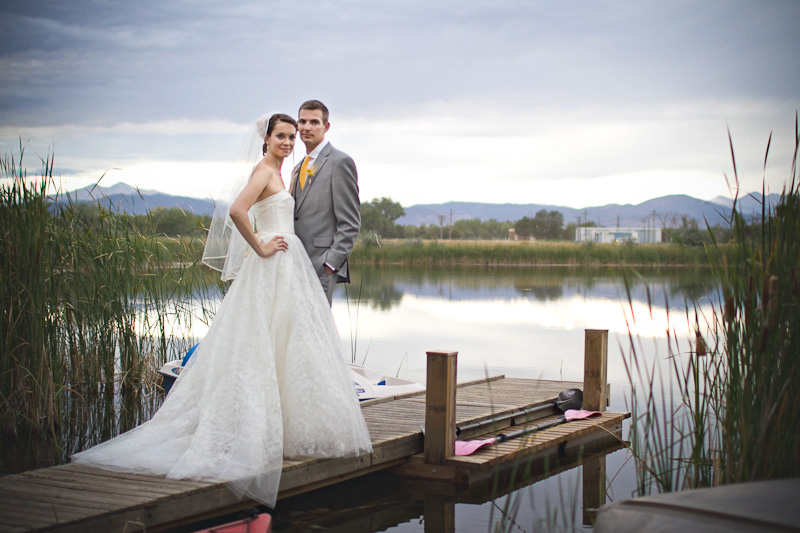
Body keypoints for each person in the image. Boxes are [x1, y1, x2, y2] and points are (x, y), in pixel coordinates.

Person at [71, 113, 373, 508]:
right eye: (281, 135)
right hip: (272, 262)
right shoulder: (265, 171)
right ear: (265, 139)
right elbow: (236, 211)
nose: (288, 140)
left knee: (290, 343)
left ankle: (288, 427)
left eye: (291, 135)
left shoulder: (287, 171)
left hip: (290, 265)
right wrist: (261, 247)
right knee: (258, 343)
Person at [289, 100, 360, 305]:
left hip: (322, 266)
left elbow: (350, 222)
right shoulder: (298, 166)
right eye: (302, 121)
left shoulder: (340, 162)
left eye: (314, 122)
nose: (306, 127)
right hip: (295, 264)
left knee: (317, 330)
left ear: (326, 127)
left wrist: (331, 264)